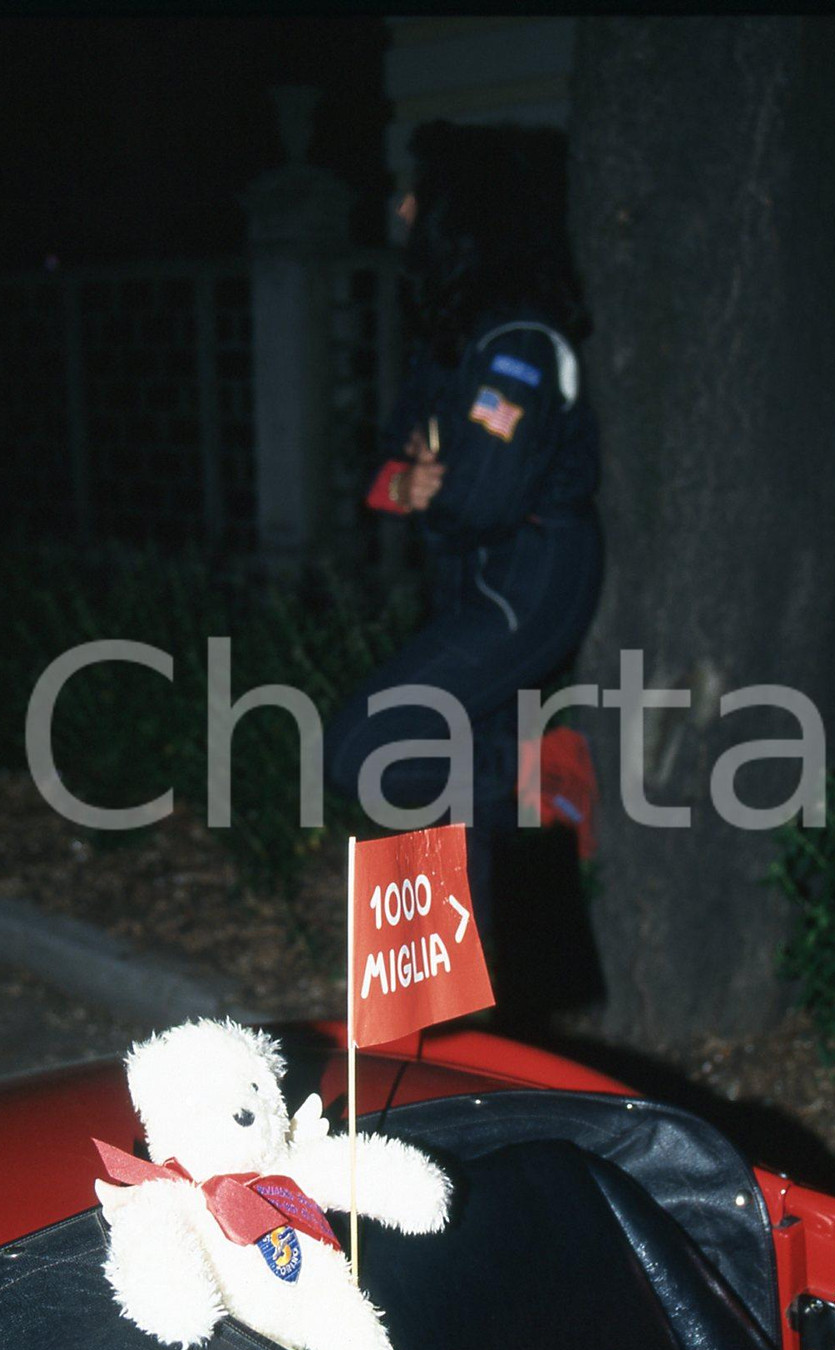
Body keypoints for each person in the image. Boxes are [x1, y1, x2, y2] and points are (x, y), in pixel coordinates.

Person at [325, 120, 603, 935]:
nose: (405, 209)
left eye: (422, 193)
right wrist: (407, 483)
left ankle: (537, 784)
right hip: (474, 576)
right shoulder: (454, 338)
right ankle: (470, 1010)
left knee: (359, 748)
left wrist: (425, 489)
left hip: (528, 578)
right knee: (456, 797)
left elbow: (479, 496)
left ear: (467, 213)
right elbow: (381, 472)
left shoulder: (517, 339)